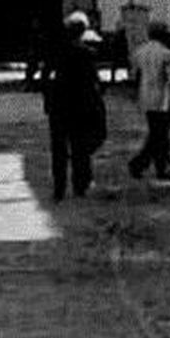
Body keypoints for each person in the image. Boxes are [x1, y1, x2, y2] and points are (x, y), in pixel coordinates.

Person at [44, 11, 106, 201]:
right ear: (83, 31)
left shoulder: (56, 52)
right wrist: (97, 103)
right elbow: (93, 83)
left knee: (58, 149)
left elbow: (46, 77)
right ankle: (80, 184)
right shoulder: (87, 54)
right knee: (80, 147)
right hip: (81, 106)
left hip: (59, 106)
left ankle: (59, 187)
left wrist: (48, 100)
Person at [127, 22, 170, 180]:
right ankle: (140, 164)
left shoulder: (140, 51)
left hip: (146, 97)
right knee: (159, 135)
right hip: (163, 98)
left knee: (157, 133)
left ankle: (158, 167)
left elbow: (134, 74)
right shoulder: (166, 54)